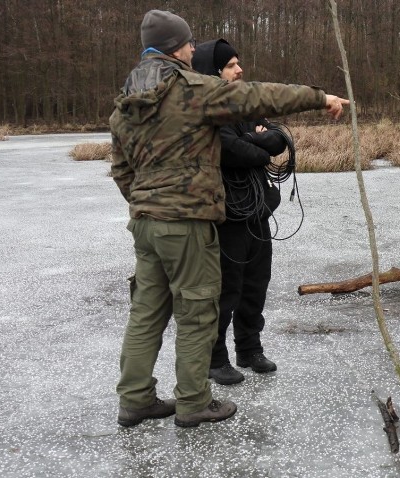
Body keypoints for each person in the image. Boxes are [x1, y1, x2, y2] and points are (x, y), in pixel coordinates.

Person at [110, 10, 348, 428]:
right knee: (199, 310)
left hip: (146, 223)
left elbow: (121, 169)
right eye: (186, 43)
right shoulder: (193, 90)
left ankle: (135, 399)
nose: (190, 49)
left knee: (147, 310)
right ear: (174, 48)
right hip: (185, 223)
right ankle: (194, 402)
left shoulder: (127, 101)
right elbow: (259, 96)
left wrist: (147, 202)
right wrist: (319, 97)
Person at [191, 39, 282, 385]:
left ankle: (249, 349)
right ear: (213, 71)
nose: (239, 70)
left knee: (256, 285)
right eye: (230, 65)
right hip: (226, 216)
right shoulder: (207, 110)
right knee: (225, 290)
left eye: (238, 63)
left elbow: (278, 139)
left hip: (257, 212)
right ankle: (216, 359)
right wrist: (260, 144)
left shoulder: (245, 106)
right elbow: (229, 150)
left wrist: (259, 140)